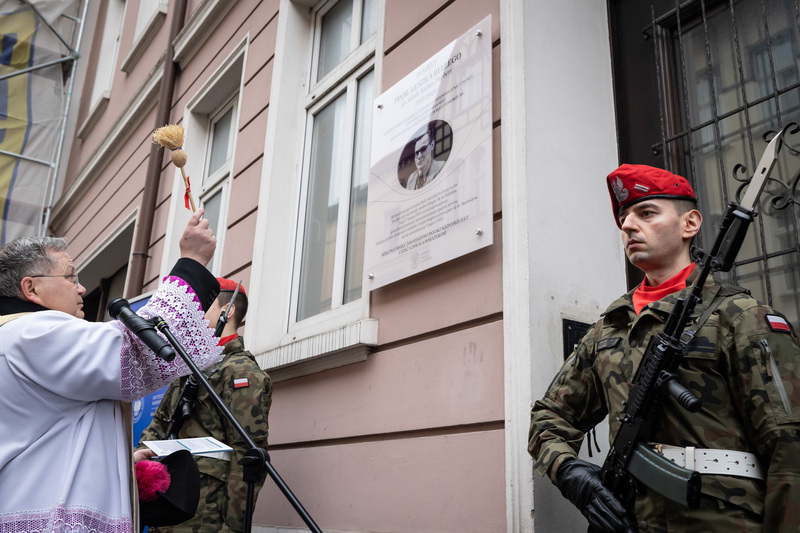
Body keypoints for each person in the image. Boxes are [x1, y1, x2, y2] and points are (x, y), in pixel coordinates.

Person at [528, 164, 800, 532]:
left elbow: (789, 445)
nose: (627, 226)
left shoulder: (738, 316)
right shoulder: (608, 328)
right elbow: (549, 419)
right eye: (624, 218)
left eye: (646, 213)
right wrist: (572, 473)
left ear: (690, 223)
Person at [0, 208, 224, 533]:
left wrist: (115, 463)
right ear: (31, 288)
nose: (81, 288)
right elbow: (137, 351)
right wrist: (192, 263)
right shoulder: (33, 333)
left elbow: (53, 435)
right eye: (71, 277)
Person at [138, 278, 272, 532]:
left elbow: (248, 452)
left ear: (227, 311)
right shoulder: (191, 366)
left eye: (201, 306)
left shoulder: (240, 370)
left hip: (205, 513)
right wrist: (141, 466)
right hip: (167, 503)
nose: (192, 314)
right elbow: (159, 424)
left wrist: (233, 526)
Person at [405, 125, 445, 190]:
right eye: (416, 153)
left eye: (423, 149)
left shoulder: (442, 166)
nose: (419, 156)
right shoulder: (411, 179)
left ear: (432, 145)